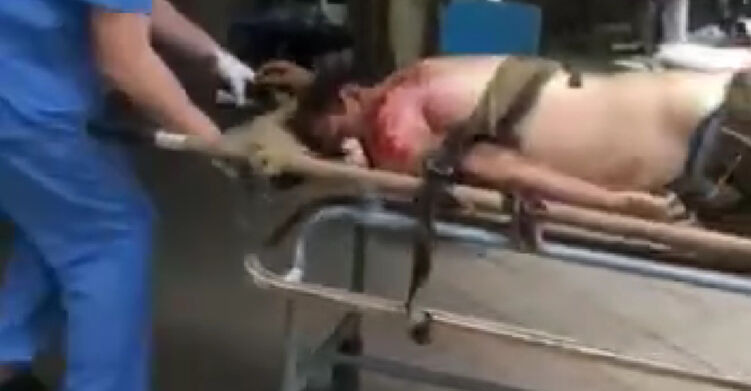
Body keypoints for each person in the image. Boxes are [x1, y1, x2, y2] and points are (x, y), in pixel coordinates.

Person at [0, 1, 254, 391]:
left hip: (19, 83)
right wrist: (216, 144)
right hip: (26, 110)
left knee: (57, 216)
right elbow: (126, 63)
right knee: (111, 239)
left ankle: (6, 356)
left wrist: (212, 53)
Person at [256, 56, 747, 221]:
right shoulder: (423, 72)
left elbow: (504, 170)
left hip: (709, 144)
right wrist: (309, 87)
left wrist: (615, 205)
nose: (340, 148)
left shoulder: (391, 130)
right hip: (706, 94)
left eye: (331, 136)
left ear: (349, 98)